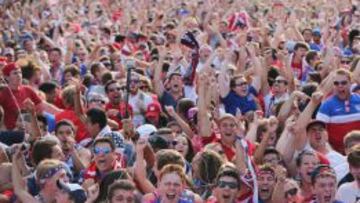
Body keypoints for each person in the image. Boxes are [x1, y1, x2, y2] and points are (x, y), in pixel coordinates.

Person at [316, 69, 360, 153]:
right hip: (337, 153)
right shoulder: (327, 105)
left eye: (344, 83)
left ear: (351, 83)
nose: (340, 86)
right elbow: (319, 133)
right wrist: (333, 154)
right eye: (336, 83)